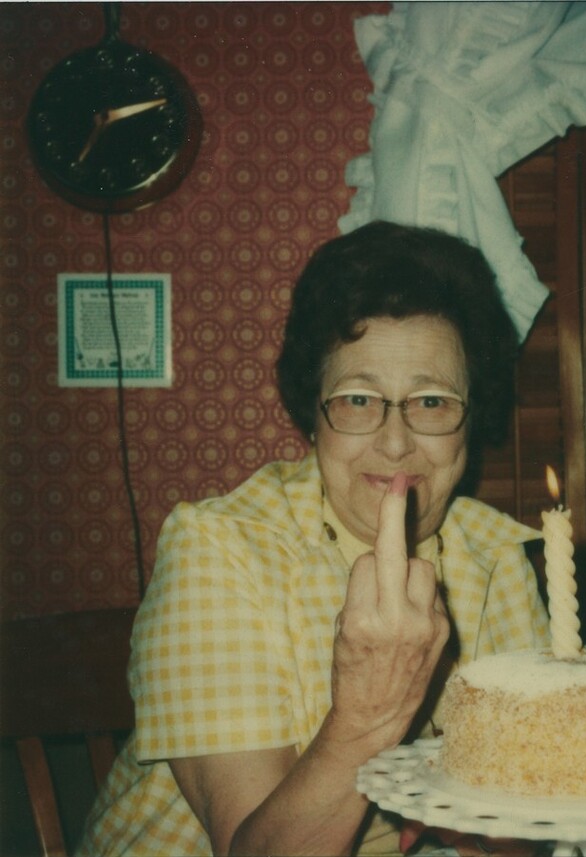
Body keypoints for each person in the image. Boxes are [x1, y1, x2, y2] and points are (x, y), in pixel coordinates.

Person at [77, 221, 550, 857]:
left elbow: (521, 826)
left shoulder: (496, 556)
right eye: (359, 400)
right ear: (313, 416)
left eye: (432, 403)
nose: (395, 441)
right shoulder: (218, 549)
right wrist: (373, 715)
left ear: (472, 421)